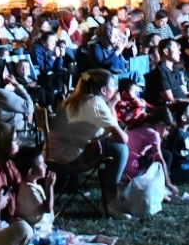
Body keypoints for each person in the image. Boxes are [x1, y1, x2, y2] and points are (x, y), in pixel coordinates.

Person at [46, 69, 129, 218]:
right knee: (120, 149)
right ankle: (109, 201)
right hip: (67, 160)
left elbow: (103, 133)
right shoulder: (95, 103)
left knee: (110, 147)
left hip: (51, 155)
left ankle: (108, 197)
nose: (116, 89)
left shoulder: (76, 99)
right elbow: (122, 137)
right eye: (113, 86)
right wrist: (112, 106)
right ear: (103, 90)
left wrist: (110, 106)